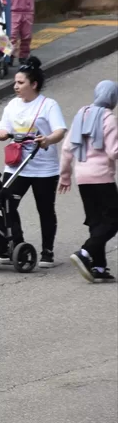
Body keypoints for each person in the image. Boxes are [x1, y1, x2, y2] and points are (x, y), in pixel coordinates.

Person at [0, 58, 67, 266]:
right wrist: (1, 133)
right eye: (15, 82)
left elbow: (60, 131)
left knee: (45, 208)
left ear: (33, 84)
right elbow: (3, 127)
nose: (15, 86)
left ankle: (47, 252)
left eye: (20, 83)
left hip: (44, 168)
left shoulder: (48, 105)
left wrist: (48, 140)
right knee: (6, 204)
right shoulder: (12, 105)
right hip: (16, 165)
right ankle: (17, 246)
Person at [59, 80, 118, 283]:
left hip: (82, 177)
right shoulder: (108, 118)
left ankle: (99, 266)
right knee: (112, 220)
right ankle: (85, 252)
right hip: (102, 176)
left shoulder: (81, 114)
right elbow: (113, 151)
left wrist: (65, 175)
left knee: (96, 221)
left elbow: (68, 148)